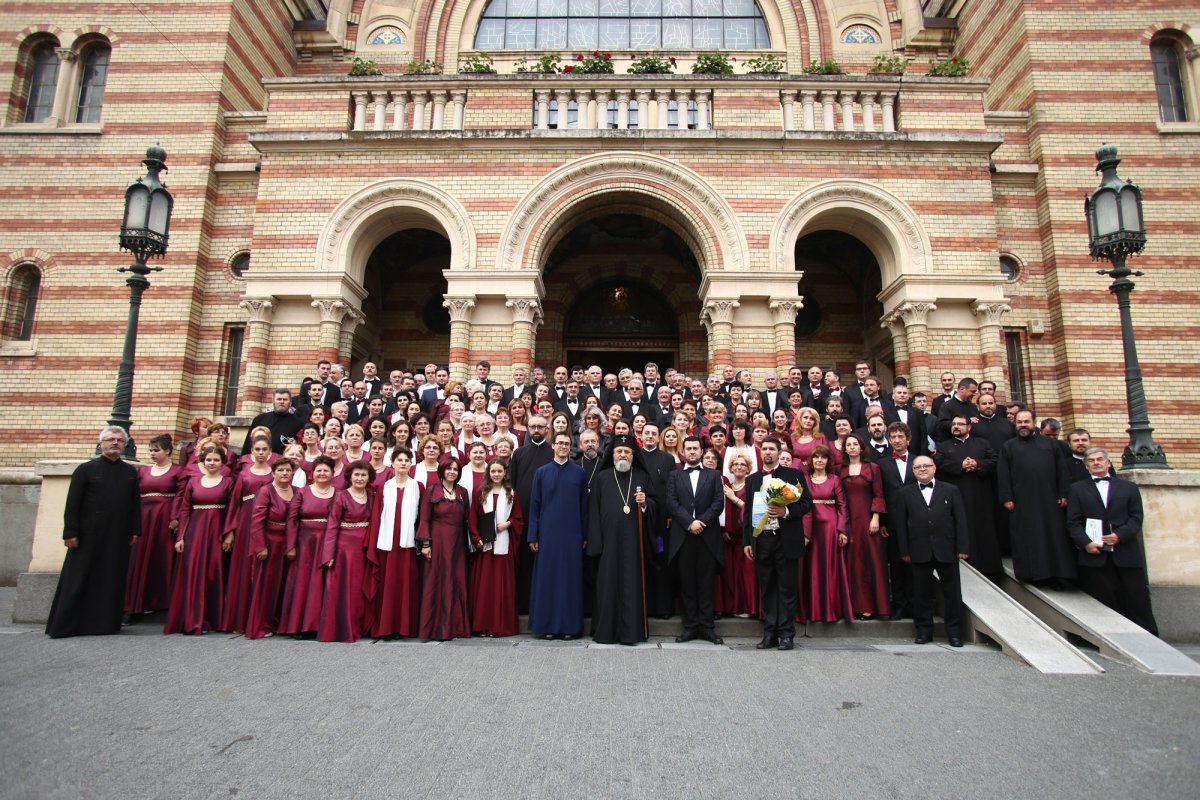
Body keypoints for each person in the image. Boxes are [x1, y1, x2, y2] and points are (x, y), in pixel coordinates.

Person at [45, 426, 142, 638]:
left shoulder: (129, 473)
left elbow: (135, 504)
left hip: (117, 535)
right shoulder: (85, 470)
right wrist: (70, 533)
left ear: (124, 444)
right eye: (110, 440)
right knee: (78, 577)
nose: (115, 443)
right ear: (101, 444)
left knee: (110, 578)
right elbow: (72, 505)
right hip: (87, 535)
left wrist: (135, 530)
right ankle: (67, 625)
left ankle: (104, 624)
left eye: (119, 440)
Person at [1066, 447, 1159, 636]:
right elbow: (1073, 522)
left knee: (1136, 598)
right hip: (1096, 556)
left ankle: (1146, 636)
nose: (1096, 463)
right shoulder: (1076, 489)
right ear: (1086, 466)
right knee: (1102, 600)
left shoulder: (1129, 488)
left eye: (1100, 459)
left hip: (1126, 554)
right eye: (1091, 461)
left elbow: (1136, 518)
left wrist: (1120, 535)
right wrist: (1086, 543)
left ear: (1108, 462)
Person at [742, 436, 813, 651]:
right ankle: (769, 633)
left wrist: (786, 511)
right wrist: (748, 541)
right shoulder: (752, 479)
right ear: (760, 452)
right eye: (764, 449)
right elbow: (747, 513)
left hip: (786, 539)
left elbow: (807, 503)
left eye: (772, 449)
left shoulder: (794, 475)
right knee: (768, 588)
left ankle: (787, 634)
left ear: (779, 452)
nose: (768, 452)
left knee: (787, 588)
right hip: (762, 539)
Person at [890, 456, 970, 647]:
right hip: (919, 549)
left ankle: (954, 633)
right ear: (914, 471)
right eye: (918, 467)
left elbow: (960, 520)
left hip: (946, 548)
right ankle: (924, 631)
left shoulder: (950, 490)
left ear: (934, 468)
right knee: (921, 594)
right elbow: (901, 525)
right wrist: (904, 551)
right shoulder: (904, 493)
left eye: (926, 466)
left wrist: (962, 548)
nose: (922, 469)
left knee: (952, 592)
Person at [588, 435, 656, 645]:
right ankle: (606, 632)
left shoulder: (643, 476)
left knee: (632, 583)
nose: (623, 455)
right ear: (613, 455)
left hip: (634, 543)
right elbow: (593, 512)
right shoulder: (602, 477)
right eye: (619, 452)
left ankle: (632, 633)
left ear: (633, 455)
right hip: (608, 542)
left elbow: (656, 505)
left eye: (627, 452)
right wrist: (596, 543)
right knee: (608, 584)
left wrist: (646, 504)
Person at [998, 410, 1076, 586]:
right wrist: (1007, 497)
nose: (1023, 425)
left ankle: (1058, 575)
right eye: (1019, 422)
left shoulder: (1051, 445)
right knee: (1027, 538)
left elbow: (1062, 471)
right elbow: (1003, 475)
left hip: (1050, 500)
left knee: (1054, 536)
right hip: (1022, 502)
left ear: (1034, 423)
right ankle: (1032, 575)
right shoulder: (1008, 447)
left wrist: (1063, 493)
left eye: (1026, 421)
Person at [164, 445, 236, 636]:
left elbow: (233, 509)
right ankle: (191, 618)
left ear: (223, 462)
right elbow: (185, 510)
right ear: (203, 462)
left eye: (216, 460)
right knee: (193, 573)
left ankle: (212, 619)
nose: (212, 463)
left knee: (214, 572)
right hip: (195, 533)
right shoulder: (193, 482)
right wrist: (181, 537)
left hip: (217, 531)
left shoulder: (229, 482)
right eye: (209, 460)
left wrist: (229, 533)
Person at [527, 431, 590, 639]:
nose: (563, 447)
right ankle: (547, 626)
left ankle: (569, 628)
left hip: (572, 534)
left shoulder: (579, 473)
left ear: (570, 448)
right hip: (547, 534)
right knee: (548, 579)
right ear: (552, 446)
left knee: (569, 580)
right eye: (559, 443)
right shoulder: (541, 473)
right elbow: (534, 506)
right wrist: (533, 536)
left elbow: (584, 507)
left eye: (566, 444)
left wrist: (584, 535)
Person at [666, 436, 726, 644]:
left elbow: (718, 503)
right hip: (683, 536)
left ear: (702, 452)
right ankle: (690, 627)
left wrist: (701, 522)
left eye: (695, 449)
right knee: (687, 583)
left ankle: (707, 628)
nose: (692, 452)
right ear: (683, 452)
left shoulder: (713, 475)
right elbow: (671, 503)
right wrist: (689, 523)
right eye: (688, 449)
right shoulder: (674, 476)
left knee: (706, 583)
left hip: (707, 535)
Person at [366, 447, 423, 639]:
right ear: (393, 464)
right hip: (387, 546)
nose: (403, 463)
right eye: (399, 460)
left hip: (407, 545)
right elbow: (376, 517)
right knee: (388, 585)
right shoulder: (384, 487)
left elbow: (422, 518)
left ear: (410, 464)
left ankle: (405, 627)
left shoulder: (418, 487)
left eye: (407, 460)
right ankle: (387, 627)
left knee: (406, 585)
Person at [934, 415, 1002, 577]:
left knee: (983, 530)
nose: (956, 426)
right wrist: (961, 465)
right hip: (956, 495)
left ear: (969, 427)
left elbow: (994, 460)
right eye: (954, 424)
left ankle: (989, 569)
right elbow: (939, 463)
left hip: (981, 495)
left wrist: (977, 464)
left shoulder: (982, 443)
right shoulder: (943, 446)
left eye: (960, 424)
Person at [221, 436, 276, 633]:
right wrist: (230, 532)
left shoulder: (275, 474)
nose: (261, 453)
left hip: (267, 527)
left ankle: (260, 617)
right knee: (243, 571)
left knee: (262, 572)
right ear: (252, 451)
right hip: (245, 524)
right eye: (257, 449)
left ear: (270, 452)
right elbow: (235, 505)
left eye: (264, 450)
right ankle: (239, 619)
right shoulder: (244, 475)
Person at [278, 456, 338, 636]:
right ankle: (297, 624)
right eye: (319, 470)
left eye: (326, 470)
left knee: (321, 583)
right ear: (312, 473)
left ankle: (318, 624)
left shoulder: (338, 493)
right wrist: (291, 545)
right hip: (305, 542)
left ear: (333, 473)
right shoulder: (303, 493)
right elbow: (292, 519)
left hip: (327, 541)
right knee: (302, 582)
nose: (322, 473)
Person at [125, 433, 181, 617]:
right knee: (139, 559)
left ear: (167, 451)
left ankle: (160, 603)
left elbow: (181, 498)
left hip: (165, 520)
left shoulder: (178, 471)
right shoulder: (142, 472)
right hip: (144, 519)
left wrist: (176, 518)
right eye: (150, 450)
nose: (152, 454)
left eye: (156, 450)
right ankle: (133, 605)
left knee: (162, 559)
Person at [318, 460, 374, 643]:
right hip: (345, 550)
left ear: (369, 477)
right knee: (345, 589)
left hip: (365, 548)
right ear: (349, 477)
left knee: (361, 589)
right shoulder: (341, 496)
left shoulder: (372, 496)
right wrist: (329, 554)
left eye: (363, 475)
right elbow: (332, 526)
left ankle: (361, 625)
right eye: (356, 475)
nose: (359, 478)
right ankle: (343, 628)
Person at [417, 458, 472, 641]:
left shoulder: (462, 492)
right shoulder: (431, 491)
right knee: (436, 581)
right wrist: (425, 543)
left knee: (456, 581)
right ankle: (434, 629)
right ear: (442, 470)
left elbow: (467, 519)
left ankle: (454, 627)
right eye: (448, 469)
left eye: (455, 469)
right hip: (438, 542)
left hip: (457, 543)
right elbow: (424, 518)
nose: (452, 472)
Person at [469, 459, 524, 637]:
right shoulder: (481, 492)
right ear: (488, 473)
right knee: (485, 587)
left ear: (505, 473)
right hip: (486, 548)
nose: (496, 474)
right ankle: (483, 626)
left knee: (501, 586)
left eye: (499, 471)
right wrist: (477, 538)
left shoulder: (511, 494)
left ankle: (500, 626)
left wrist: (508, 523)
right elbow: (472, 519)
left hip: (503, 547)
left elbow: (518, 519)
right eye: (493, 471)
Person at [244, 458, 296, 640]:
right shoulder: (266, 491)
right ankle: (259, 624)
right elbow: (257, 520)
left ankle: (277, 622)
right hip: (269, 542)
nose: (284, 473)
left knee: (282, 585)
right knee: (264, 585)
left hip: (287, 543)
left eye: (288, 470)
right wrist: (260, 546)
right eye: (280, 470)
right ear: (273, 473)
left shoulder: (296, 491)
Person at [839, 434, 889, 620]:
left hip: (868, 520)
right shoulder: (840, 469)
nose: (852, 447)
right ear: (844, 449)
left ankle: (874, 606)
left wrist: (876, 517)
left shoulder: (873, 468)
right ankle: (856, 606)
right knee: (853, 563)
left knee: (871, 561)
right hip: (848, 519)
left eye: (855, 444)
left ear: (861, 448)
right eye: (848, 445)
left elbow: (878, 494)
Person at [802, 445, 851, 623]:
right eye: (816, 458)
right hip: (810, 527)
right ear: (811, 460)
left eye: (823, 458)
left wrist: (842, 529)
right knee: (812, 568)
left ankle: (830, 609)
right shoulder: (805, 479)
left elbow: (842, 506)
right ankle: (813, 609)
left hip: (830, 528)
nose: (819, 461)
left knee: (829, 569)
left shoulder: (835, 480)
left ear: (828, 460)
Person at [721, 452, 756, 618]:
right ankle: (734, 607)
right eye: (735, 464)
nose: (739, 467)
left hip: (746, 535)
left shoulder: (751, 485)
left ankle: (749, 607)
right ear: (731, 468)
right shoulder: (727, 486)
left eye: (742, 464)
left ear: (748, 468)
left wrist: (733, 498)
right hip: (730, 536)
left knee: (747, 573)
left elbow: (752, 509)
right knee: (732, 573)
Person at [241, 389, 305, 454]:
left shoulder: (298, 423)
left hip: (285, 462)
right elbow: (248, 444)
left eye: (285, 399)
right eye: (279, 399)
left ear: (290, 403)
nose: (282, 402)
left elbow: (302, 448)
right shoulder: (260, 419)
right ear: (273, 401)